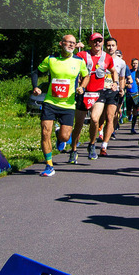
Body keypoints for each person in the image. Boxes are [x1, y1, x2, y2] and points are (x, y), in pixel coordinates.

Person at [32, 35, 88, 176]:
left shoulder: (79, 61)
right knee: (45, 133)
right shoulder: (51, 59)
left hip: (68, 104)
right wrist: (35, 87)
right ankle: (49, 165)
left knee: (64, 137)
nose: (70, 45)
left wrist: (82, 87)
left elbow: (86, 76)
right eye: (68, 42)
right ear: (61, 43)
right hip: (50, 102)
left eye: (73, 43)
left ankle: (59, 135)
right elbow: (36, 72)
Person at [69, 33, 117, 163]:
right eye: (94, 41)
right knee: (78, 124)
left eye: (100, 41)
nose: (97, 43)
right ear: (90, 43)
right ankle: (73, 150)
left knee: (95, 119)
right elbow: (69, 59)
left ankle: (92, 144)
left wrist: (115, 82)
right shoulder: (82, 55)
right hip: (83, 92)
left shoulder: (107, 57)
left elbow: (114, 71)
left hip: (98, 93)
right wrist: (74, 47)